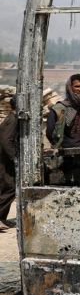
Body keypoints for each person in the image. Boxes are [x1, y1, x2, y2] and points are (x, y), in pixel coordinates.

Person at [45, 74, 80, 150]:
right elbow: (49, 133)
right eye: (77, 86)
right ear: (70, 88)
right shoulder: (59, 109)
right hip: (65, 153)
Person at [0, 96, 16, 228]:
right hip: (5, 161)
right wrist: (15, 158)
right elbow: (6, 141)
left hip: (4, 160)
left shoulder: (12, 118)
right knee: (10, 188)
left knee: (6, 188)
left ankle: (2, 219)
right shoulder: (13, 120)